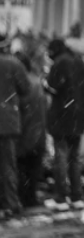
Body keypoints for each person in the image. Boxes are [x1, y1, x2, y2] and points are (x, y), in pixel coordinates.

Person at [43, 38, 84, 212]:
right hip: (78, 116)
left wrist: (45, 84)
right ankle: (77, 197)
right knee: (74, 158)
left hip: (61, 117)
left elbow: (52, 87)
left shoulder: (59, 63)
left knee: (61, 156)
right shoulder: (81, 63)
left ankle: (61, 198)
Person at [0, 35, 30, 220]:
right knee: (8, 165)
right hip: (8, 121)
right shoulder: (14, 64)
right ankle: (11, 203)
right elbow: (25, 88)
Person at [14, 51, 47, 209]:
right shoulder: (37, 81)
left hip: (23, 130)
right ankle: (31, 198)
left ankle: (22, 198)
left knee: (20, 167)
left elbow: (20, 108)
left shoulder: (21, 83)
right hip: (39, 130)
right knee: (33, 169)